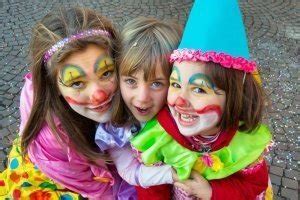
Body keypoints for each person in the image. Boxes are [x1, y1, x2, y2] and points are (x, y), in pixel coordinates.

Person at [130, 0, 273, 199]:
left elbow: (254, 185)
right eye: (176, 84)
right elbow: (152, 189)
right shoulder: (159, 136)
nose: (180, 101)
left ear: (234, 96)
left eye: (198, 89)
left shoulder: (244, 142)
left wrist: (212, 192)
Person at [0, 7, 136, 199]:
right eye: (77, 83)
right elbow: (100, 192)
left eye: (106, 72)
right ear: (53, 87)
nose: (98, 95)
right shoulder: (56, 139)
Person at [95, 17, 182, 199]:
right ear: (118, 78)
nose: (142, 98)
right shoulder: (116, 129)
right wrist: (173, 174)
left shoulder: (184, 114)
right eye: (131, 81)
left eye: (157, 84)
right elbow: (129, 171)